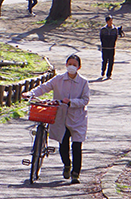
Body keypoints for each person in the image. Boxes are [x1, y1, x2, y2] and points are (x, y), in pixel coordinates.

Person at [28, 54, 89, 183]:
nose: (71, 66)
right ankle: (67, 164)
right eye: (70, 64)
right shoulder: (58, 79)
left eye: (74, 64)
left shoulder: (83, 82)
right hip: (61, 116)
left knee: (77, 146)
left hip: (77, 118)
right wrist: (30, 94)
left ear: (79, 67)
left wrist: (71, 102)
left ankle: (75, 174)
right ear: (66, 65)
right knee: (63, 144)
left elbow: (85, 100)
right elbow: (44, 87)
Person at [99, 15, 123, 80]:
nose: (111, 22)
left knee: (111, 61)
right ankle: (103, 70)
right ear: (107, 22)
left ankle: (109, 73)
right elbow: (101, 38)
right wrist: (104, 43)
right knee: (104, 60)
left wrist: (113, 43)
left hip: (112, 48)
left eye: (111, 20)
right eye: (109, 21)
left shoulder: (114, 29)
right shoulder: (103, 29)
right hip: (105, 47)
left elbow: (116, 37)